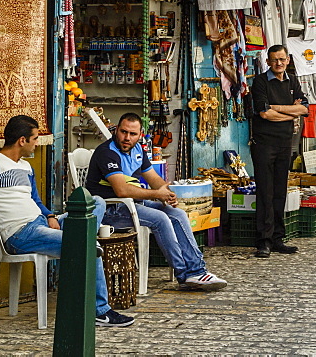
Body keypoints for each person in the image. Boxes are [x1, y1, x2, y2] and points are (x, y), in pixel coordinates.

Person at [0, 115, 134, 328]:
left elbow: (35, 200)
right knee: (87, 244)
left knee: (97, 202)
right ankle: (99, 310)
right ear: (22, 140)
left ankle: (87, 239)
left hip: (41, 224)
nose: (37, 143)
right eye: (35, 138)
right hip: (21, 234)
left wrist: (50, 215)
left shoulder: (26, 167)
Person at [86, 113, 227, 290]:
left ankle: (197, 271)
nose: (127, 138)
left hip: (132, 205)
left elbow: (154, 178)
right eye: (123, 132)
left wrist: (166, 193)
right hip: (110, 209)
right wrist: (155, 194)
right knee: (160, 219)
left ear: (140, 135)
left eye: (132, 134)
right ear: (116, 131)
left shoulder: (138, 150)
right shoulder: (107, 152)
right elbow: (121, 190)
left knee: (177, 213)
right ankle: (185, 276)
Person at [249, 44, 308, 258]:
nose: (279, 63)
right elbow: (264, 114)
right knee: (265, 191)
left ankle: (277, 238)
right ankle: (263, 241)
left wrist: (278, 108)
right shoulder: (260, 82)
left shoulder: (292, 81)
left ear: (288, 60)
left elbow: (305, 108)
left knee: (279, 191)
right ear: (268, 62)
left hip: (285, 143)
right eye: (274, 60)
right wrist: (291, 113)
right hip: (264, 143)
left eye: (282, 59)